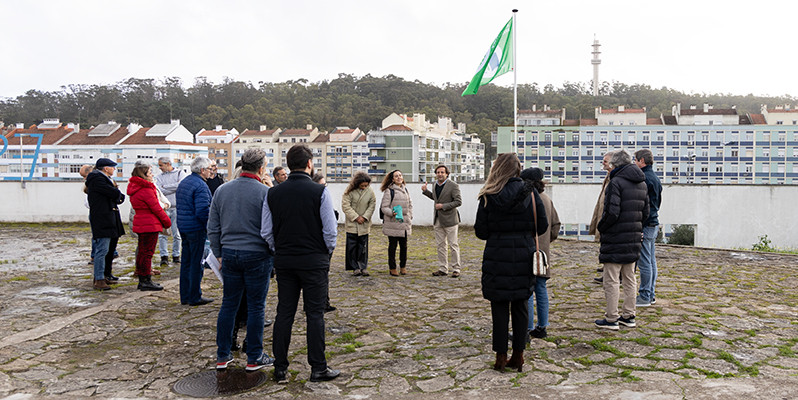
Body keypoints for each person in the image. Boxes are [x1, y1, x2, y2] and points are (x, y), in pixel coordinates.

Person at [261, 144, 339, 384]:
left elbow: (266, 231)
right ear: (309, 164)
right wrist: (325, 254)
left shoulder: (273, 193)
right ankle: (318, 367)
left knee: (284, 312)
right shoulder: (320, 192)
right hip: (314, 260)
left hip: (285, 261)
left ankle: (280, 368)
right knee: (314, 314)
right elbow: (330, 231)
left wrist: (278, 250)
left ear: (288, 164)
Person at [475, 153, 547, 373]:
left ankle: (500, 356)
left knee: (498, 307)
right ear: (517, 169)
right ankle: (518, 356)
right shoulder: (532, 193)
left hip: (497, 255)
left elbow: (481, 231)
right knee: (521, 305)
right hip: (524, 254)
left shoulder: (488, 194)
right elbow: (541, 226)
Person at [210, 148, 275, 371]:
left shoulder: (221, 190)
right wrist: (272, 251)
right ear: (261, 167)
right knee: (257, 306)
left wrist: (219, 252)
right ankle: (254, 356)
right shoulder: (265, 192)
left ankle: (222, 354)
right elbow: (270, 229)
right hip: (257, 254)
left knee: (229, 304)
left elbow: (213, 227)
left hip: (229, 253)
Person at [595, 151, 649, 330]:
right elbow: (646, 212)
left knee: (611, 279)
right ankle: (629, 315)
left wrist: (601, 227)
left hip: (616, 237)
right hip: (633, 236)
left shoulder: (615, 182)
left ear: (616, 165)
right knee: (629, 278)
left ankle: (611, 318)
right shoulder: (642, 183)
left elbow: (612, 212)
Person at [520, 168, 560, 340]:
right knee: (541, 288)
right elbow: (556, 225)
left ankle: (527, 327)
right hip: (543, 252)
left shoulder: (525, 199)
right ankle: (542, 326)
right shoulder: (546, 199)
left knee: (527, 290)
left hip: (526, 249)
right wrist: (545, 242)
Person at [127, 162, 171, 291]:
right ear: (144, 174)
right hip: (150, 224)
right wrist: (167, 222)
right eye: (150, 172)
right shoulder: (146, 189)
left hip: (141, 222)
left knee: (142, 252)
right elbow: (156, 208)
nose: (152, 175)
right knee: (147, 253)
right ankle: (146, 280)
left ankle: (143, 278)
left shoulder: (134, 188)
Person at [176, 156, 214, 306]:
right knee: (197, 263)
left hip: (184, 226)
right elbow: (203, 211)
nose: (211, 172)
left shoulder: (185, 182)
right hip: (196, 228)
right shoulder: (201, 186)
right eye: (210, 169)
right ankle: (194, 295)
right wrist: (210, 228)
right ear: (202, 170)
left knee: (186, 261)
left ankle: (185, 295)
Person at [85, 158, 126, 290]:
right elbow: (113, 193)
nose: (114, 169)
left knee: (109, 249)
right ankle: (99, 278)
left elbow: (117, 196)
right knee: (102, 249)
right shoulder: (97, 179)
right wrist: (116, 193)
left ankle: (105, 274)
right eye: (112, 167)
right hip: (103, 218)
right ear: (105, 168)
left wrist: (117, 195)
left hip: (110, 216)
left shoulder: (104, 179)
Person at [422, 165, 462, 277]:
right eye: (438, 172)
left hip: (450, 220)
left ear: (447, 174)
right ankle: (443, 268)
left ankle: (456, 269)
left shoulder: (453, 186)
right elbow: (436, 198)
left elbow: (458, 202)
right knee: (440, 245)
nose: (440, 174)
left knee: (453, 245)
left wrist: (443, 206)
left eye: (442, 172)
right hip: (437, 219)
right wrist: (426, 192)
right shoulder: (434, 184)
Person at [634, 149, 662, 307]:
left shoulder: (644, 179)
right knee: (651, 261)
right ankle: (650, 294)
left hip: (645, 224)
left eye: (636, 160)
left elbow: (644, 204)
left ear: (642, 161)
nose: (635, 163)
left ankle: (645, 295)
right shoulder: (655, 178)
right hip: (653, 223)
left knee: (644, 262)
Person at [311, 173, 338, 313]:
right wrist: (329, 246)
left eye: (325, 185)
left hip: (323, 245)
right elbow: (329, 226)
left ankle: (324, 302)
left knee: (323, 276)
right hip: (320, 245)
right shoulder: (316, 198)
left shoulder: (324, 197)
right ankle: (321, 303)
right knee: (320, 277)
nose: (324, 188)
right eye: (322, 185)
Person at [341, 172, 376, 277]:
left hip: (364, 223)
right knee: (352, 246)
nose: (364, 187)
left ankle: (363, 266)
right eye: (362, 185)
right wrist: (356, 217)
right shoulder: (349, 191)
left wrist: (365, 217)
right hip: (353, 223)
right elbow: (345, 205)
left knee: (363, 247)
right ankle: (354, 267)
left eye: (366, 185)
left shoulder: (370, 191)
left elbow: (372, 204)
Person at [380, 170, 413, 276]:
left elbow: (410, 205)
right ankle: (392, 267)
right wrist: (392, 213)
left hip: (404, 223)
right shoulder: (389, 191)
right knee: (393, 246)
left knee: (404, 246)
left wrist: (410, 216)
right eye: (396, 176)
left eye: (400, 175)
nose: (399, 177)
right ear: (392, 179)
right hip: (393, 224)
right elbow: (384, 207)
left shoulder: (405, 190)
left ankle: (403, 266)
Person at [589, 151, 616, 284]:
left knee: (608, 245)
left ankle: (608, 273)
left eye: (605, 161)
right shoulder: (609, 176)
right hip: (602, 214)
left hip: (608, 217)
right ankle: (606, 268)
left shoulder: (614, 178)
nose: (603, 163)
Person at [155, 157, 184, 268]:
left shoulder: (180, 173)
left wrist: (165, 187)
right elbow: (159, 190)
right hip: (165, 208)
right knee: (163, 234)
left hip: (177, 207)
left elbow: (180, 185)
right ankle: (164, 256)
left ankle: (176, 255)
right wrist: (173, 187)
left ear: (168, 164)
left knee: (177, 234)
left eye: (161, 165)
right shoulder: (159, 177)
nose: (160, 168)